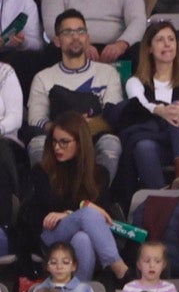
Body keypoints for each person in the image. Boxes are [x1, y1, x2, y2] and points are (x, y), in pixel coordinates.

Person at [22, 113, 126, 280]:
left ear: (80, 143)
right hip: (50, 233)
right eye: (54, 141)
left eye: (64, 142)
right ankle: (120, 270)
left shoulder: (99, 174)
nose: (57, 147)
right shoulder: (42, 170)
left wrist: (69, 213)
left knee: (82, 238)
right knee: (88, 213)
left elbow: (104, 215)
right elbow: (50, 203)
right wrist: (83, 206)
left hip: (86, 235)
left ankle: (77, 291)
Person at [26, 8, 126, 178]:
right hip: (57, 139)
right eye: (68, 32)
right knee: (37, 144)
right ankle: (48, 194)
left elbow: (113, 115)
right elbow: (36, 119)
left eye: (80, 31)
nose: (75, 37)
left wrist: (84, 129)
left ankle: (98, 193)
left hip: (94, 136)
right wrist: (66, 130)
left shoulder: (108, 73)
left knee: (111, 143)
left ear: (88, 38)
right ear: (57, 41)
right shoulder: (43, 77)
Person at [122, 20, 179, 190]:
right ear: (149, 48)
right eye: (160, 40)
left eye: (171, 39)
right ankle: (161, 196)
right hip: (160, 141)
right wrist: (161, 110)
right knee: (143, 146)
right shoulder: (135, 82)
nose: (167, 44)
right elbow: (139, 106)